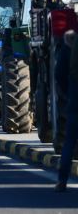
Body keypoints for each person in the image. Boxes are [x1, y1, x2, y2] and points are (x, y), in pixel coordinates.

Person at [57, 30, 78, 192]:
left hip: (74, 99)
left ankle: (62, 180)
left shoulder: (69, 44)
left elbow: (60, 73)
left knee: (69, 142)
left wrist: (68, 92)